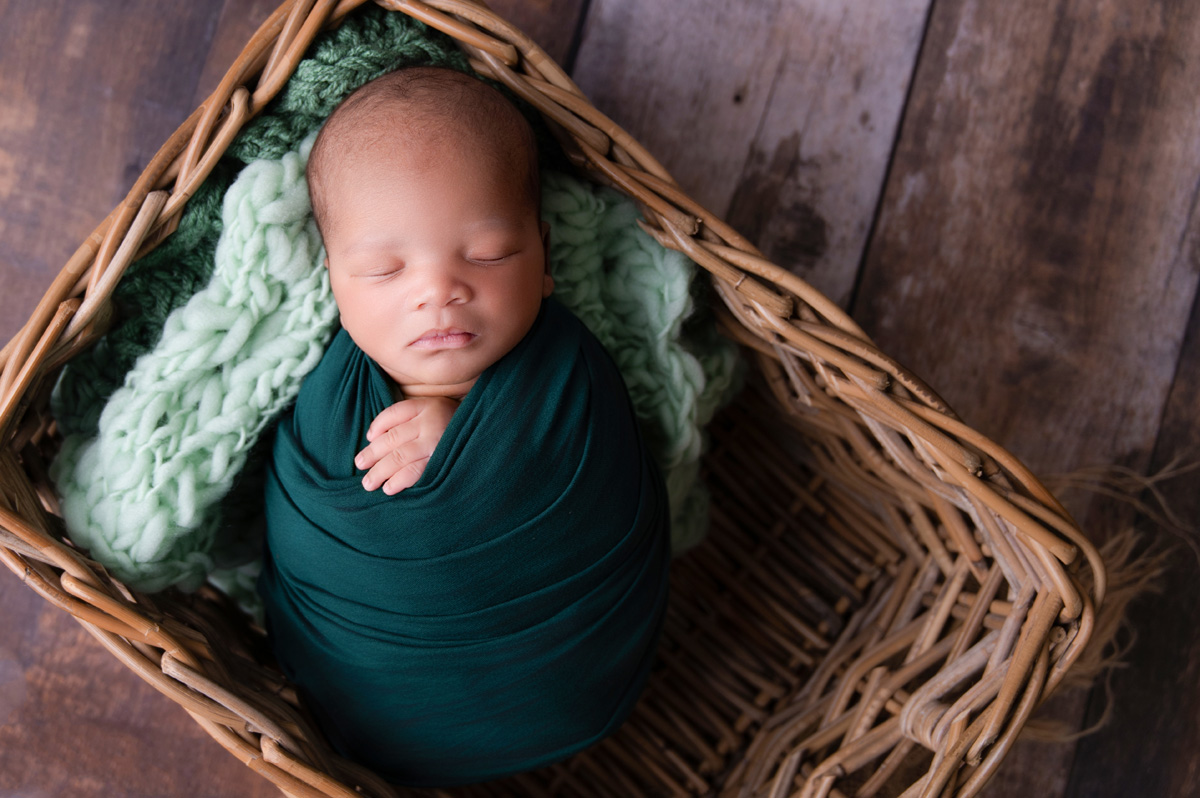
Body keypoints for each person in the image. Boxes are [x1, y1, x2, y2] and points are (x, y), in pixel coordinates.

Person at [257, 66, 672, 787]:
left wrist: (480, 450)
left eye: (487, 255)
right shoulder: (329, 397)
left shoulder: (570, 371)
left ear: (543, 256)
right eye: (385, 270)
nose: (437, 290)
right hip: (366, 699)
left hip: (570, 681)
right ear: (334, 285)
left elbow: (608, 478)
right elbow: (303, 531)